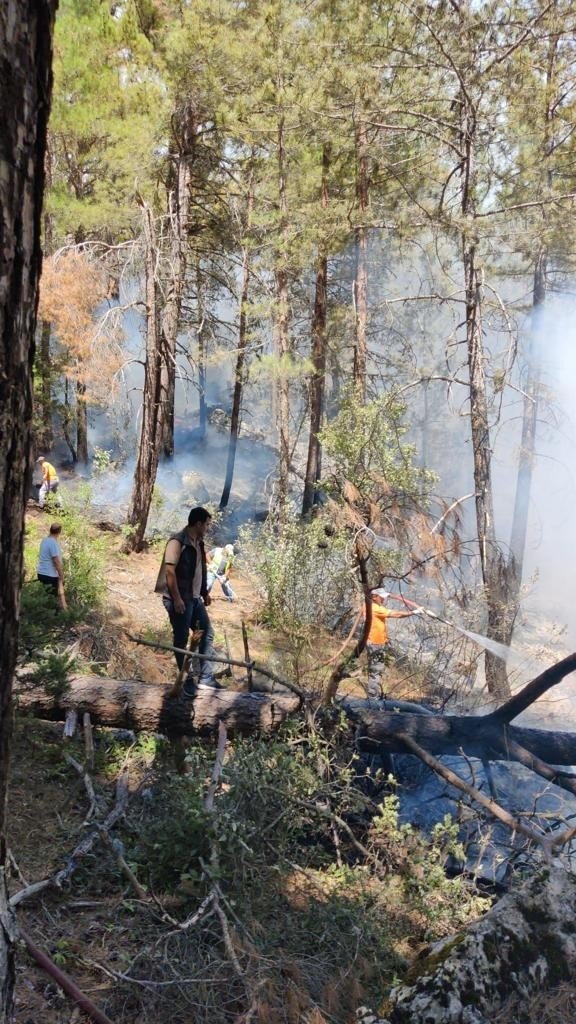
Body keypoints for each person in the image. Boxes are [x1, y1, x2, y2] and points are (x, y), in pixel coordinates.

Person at [155, 506, 216, 696]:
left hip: (194, 598)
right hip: (179, 599)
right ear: (198, 523)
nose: (207, 528)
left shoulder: (198, 542)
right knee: (181, 640)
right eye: (206, 524)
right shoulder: (177, 542)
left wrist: (204, 592)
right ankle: (187, 680)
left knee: (206, 633)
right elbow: (169, 572)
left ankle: (206, 678)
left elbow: (200, 569)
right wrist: (177, 599)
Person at [365, 588, 421, 699]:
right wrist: (414, 612)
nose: (383, 599)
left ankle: (374, 694)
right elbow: (396, 614)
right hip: (375, 643)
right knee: (376, 670)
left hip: (377, 642)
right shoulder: (375, 608)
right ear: (374, 597)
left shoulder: (372, 606)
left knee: (376, 669)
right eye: (381, 597)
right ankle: (373, 698)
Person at [37, 522, 67, 611]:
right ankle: (51, 616)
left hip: (41, 573)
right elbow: (56, 561)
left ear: (50, 530)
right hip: (50, 575)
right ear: (59, 532)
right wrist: (61, 575)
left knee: (45, 598)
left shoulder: (44, 541)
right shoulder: (53, 543)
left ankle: (42, 614)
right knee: (51, 601)